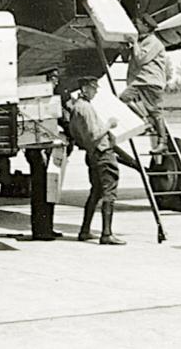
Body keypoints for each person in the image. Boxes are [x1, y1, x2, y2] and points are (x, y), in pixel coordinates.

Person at [67, 76, 127, 245]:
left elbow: (78, 135)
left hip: (92, 153)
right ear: (85, 88)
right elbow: (94, 134)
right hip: (102, 153)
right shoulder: (86, 108)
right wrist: (109, 125)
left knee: (96, 192)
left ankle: (85, 230)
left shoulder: (76, 108)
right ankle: (106, 233)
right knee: (109, 192)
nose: (95, 91)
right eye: (93, 88)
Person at [121, 25, 170, 161]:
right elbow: (128, 59)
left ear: (147, 27)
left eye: (140, 25)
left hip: (151, 81)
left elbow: (141, 59)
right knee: (124, 98)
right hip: (139, 81)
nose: (137, 28)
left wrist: (135, 43)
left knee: (155, 111)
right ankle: (145, 120)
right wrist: (127, 47)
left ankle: (162, 142)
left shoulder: (154, 42)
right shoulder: (143, 41)